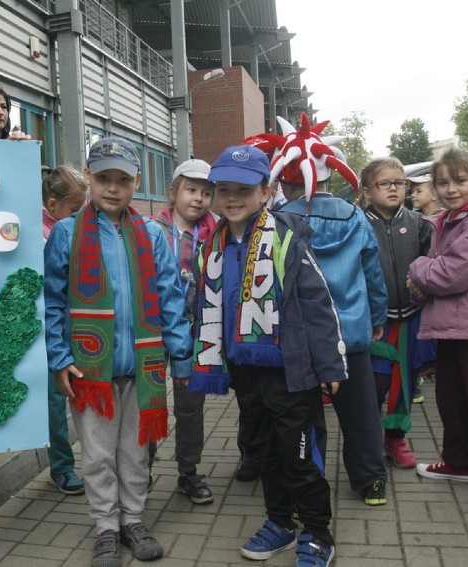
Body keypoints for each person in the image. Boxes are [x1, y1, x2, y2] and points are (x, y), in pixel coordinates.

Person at [190, 145, 345, 567]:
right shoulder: (212, 244)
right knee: (264, 453)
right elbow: (202, 304)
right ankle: (280, 523)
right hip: (244, 370)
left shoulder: (288, 237)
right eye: (223, 190)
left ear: (266, 191)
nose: (231, 198)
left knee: (298, 455)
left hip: (291, 370)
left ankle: (317, 531)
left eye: (243, 188)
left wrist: (330, 364)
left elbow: (318, 303)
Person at [43, 136, 193, 566]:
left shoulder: (150, 234)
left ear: (136, 182)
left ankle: (133, 519)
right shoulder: (68, 234)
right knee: (96, 455)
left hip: (141, 368)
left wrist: (181, 356)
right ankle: (106, 526)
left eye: (122, 180)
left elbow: (169, 299)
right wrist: (59, 358)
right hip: (90, 373)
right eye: (104, 178)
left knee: (134, 452)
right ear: (88, 178)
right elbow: (52, 301)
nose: (113, 188)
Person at [273, 114, 390, 507]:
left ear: (286, 180)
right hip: (351, 332)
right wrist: (377, 317)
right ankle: (371, 480)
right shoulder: (355, 215)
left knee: (305, 415)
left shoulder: (279, 221)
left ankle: (309, 478)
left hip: (302, 337)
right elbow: (372, 272)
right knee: (361, 413)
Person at [408, 147, 468, 508]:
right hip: (453, 327)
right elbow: (438, 265)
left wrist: (417, 269)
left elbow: (449, 273)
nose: (450, 189)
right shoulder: (451, 220)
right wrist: (427, 271)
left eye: (460, 181)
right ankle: (460, 462)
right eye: (442, 182)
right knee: (453, 400)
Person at [147, 159, 217, 504]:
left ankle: (188, 471)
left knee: (191, 405)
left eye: (206, 192)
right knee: (148, 401)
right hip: (153, 329)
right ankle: (140, 469)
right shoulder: (150, 230)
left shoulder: (215, 233)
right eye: (191, 190)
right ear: (173, 193)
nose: (199, 198)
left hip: (194, 330)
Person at [361, 157, 434, 469]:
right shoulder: (358, 223)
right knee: (374, 383)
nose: (394, 188)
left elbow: (434, 263)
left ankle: (395, 437)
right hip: (375, 323)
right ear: (366, 190)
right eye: (384, 183)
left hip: (410, 320)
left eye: (399, 182)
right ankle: (369, 437)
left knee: (404, 383)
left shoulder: (419, 224)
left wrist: (425, 285)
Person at [42, 165, 88, 495]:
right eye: (75, 209)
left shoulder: (79, 229)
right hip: (51, 330)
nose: (80, 215)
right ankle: (61, 466)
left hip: (82, 327)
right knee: (55, 402)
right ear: (52, 204)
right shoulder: (37, 230)